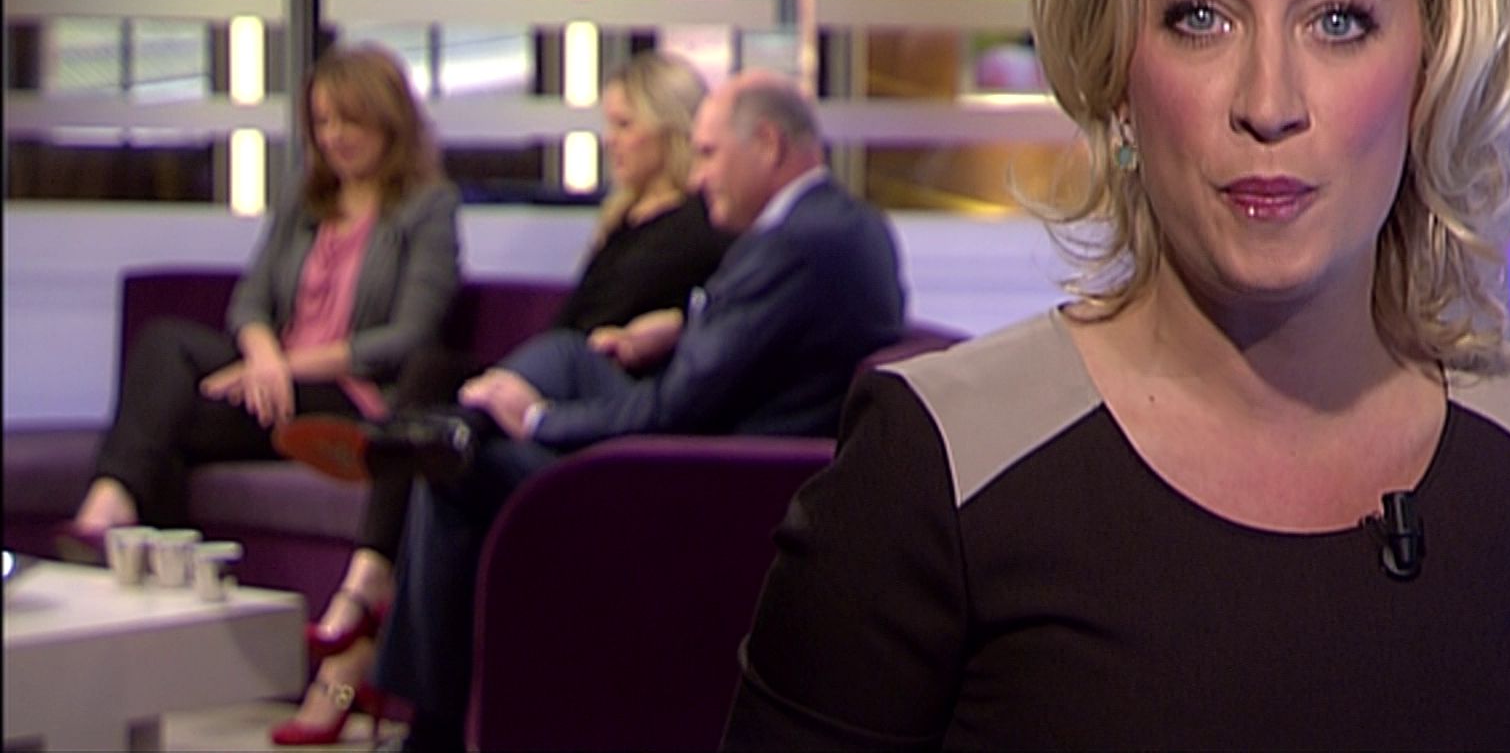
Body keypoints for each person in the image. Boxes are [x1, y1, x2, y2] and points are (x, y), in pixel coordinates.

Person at [723, 0, 1510, 750]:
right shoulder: (937, 468)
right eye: (1201, 17)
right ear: (1118, 83)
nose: (1268, 102)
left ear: (1429, 75)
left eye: (1339, 21)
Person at [373, 70, 907, 752]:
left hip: (699, 482)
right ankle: (455, 427)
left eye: (709, 154)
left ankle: (433, 732)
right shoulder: (834, 223)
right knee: (568, 353)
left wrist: (539, 421)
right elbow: (762, 339)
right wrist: (680, 327)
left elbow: (671, 410)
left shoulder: (799, 244)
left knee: (457, 475)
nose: (698, 177)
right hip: (708, 448)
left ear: (769, 144)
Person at [266, 49, 732, 745]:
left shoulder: (702, 226)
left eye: (624, 125)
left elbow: (653, 336)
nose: (611, 141)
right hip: (560, 376)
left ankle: (389, 514)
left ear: (670, 130)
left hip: (602, 410)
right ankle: (390, 528)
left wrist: (654, 333)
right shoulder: (625, 218)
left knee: (445, 424)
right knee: (440, 416)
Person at [58, 43, 464, 743]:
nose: (333, 137)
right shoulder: (304, 202)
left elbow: (409, 335)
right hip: (276, 388)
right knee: (165, 350)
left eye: (349, 122)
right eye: (322, 122)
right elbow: (248, 301)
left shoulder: (428, 208)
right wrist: (265, 356)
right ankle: (111, 506)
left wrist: (291, 366)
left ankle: (126, 550)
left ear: (389, 121)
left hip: (349, 398)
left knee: (170, 419)